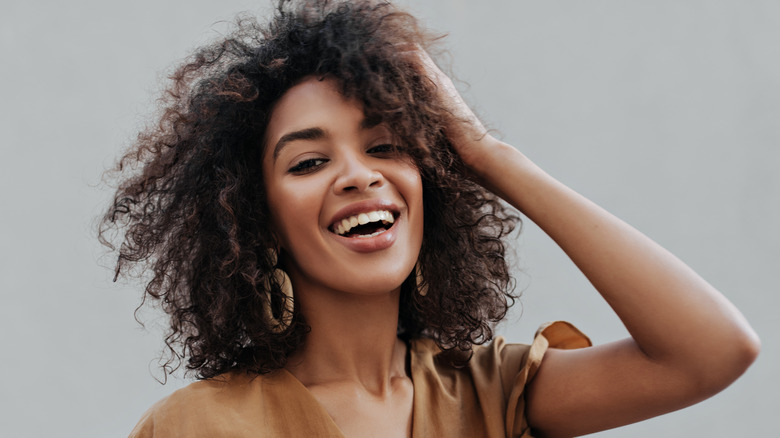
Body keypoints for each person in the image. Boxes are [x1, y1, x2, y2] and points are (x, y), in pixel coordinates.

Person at [100, 1, 759, 436]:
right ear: (256, 219)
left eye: (386, 147)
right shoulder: (199, 427)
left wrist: (488, 155)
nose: (360, 174)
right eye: (307, 164)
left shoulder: (494, 394)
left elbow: (711, 352)